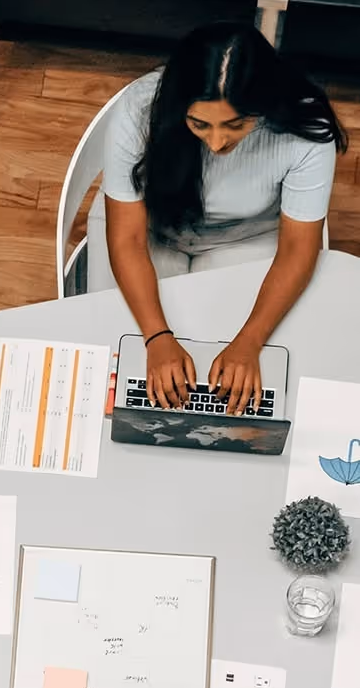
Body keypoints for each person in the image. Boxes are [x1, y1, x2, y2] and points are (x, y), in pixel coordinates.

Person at [89, 22, 347, 413]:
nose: (216, 142)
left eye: (236, 124)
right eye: (199, 123)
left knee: (245, 368)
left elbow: (297, 247)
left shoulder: (303, 130)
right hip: (151, 228)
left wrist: (249, 341)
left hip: (245, 235)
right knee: (118, 359)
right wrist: (157, 336)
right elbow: (126, 238)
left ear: (265, 106)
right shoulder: (140, 110)